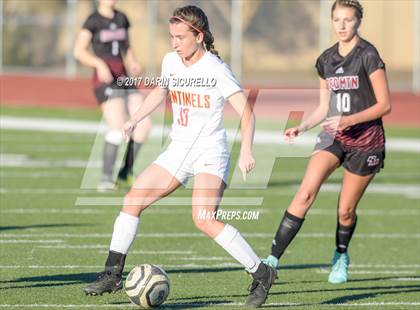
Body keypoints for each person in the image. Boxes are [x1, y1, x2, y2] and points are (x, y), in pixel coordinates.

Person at [83, 5, 276, 308]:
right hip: (178, 149)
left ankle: (261, 272)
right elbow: (161, 93)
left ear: (199, 36)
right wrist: (136, 118)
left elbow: (247, 112)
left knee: (204, 219)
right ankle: (112, 273)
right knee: (132, 200)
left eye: (181, 37)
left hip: (210, 152)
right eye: (171, 36)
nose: (174, 42)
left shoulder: (215, 69)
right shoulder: (171, 61)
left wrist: (247, 151)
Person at [262, 0, 391, 284]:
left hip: (366, 141)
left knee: (345, 210)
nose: (342, 26)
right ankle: (271, 261)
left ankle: (341, 254)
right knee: (305, 193)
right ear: (331, 21)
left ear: (358, 21)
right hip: (333, 136)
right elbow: (324, 107)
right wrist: (303, 126)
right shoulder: (326, 60)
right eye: (337, 20)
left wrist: (349, 120)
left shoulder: (368, 55)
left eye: (348, 20)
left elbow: (384, 105)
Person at [73, 0, 152, 191]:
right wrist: (99, 65)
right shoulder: (93, 21)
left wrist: (133, 61)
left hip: (123, 77)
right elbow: (78, 52)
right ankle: (106, 178)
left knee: (144, 124)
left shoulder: (122, 18)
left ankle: (126, 171)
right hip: (105, 80)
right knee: (117, 126)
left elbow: (127, 47)